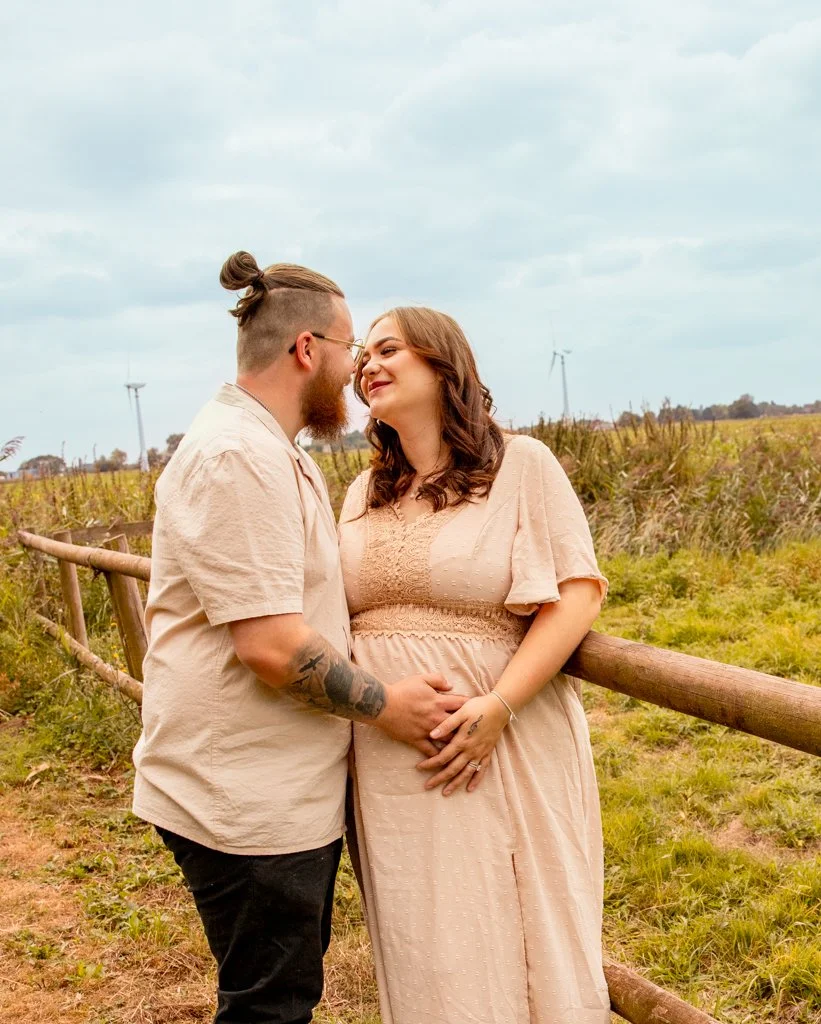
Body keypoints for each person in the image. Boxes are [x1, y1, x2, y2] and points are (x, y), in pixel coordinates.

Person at [132, 257, 466, 1024]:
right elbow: (272, 647)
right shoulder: (237, 457)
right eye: (351, 350)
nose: (356, 372)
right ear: (308, 350)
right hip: (245, 798)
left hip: (268, 786)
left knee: (277, 996)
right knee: (270, 1008)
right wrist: (391, 706)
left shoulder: (268, 450)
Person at [338, 306, 611, 1024]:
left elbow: (577, 593)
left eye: (389, 348)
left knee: (516, 926)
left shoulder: (520, 464)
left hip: (497, 741)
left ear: (442, 363)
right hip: (389, 754)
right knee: (427, 946)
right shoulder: (359, 493)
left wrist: (498, 707)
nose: (368, 363)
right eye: (362, 353)